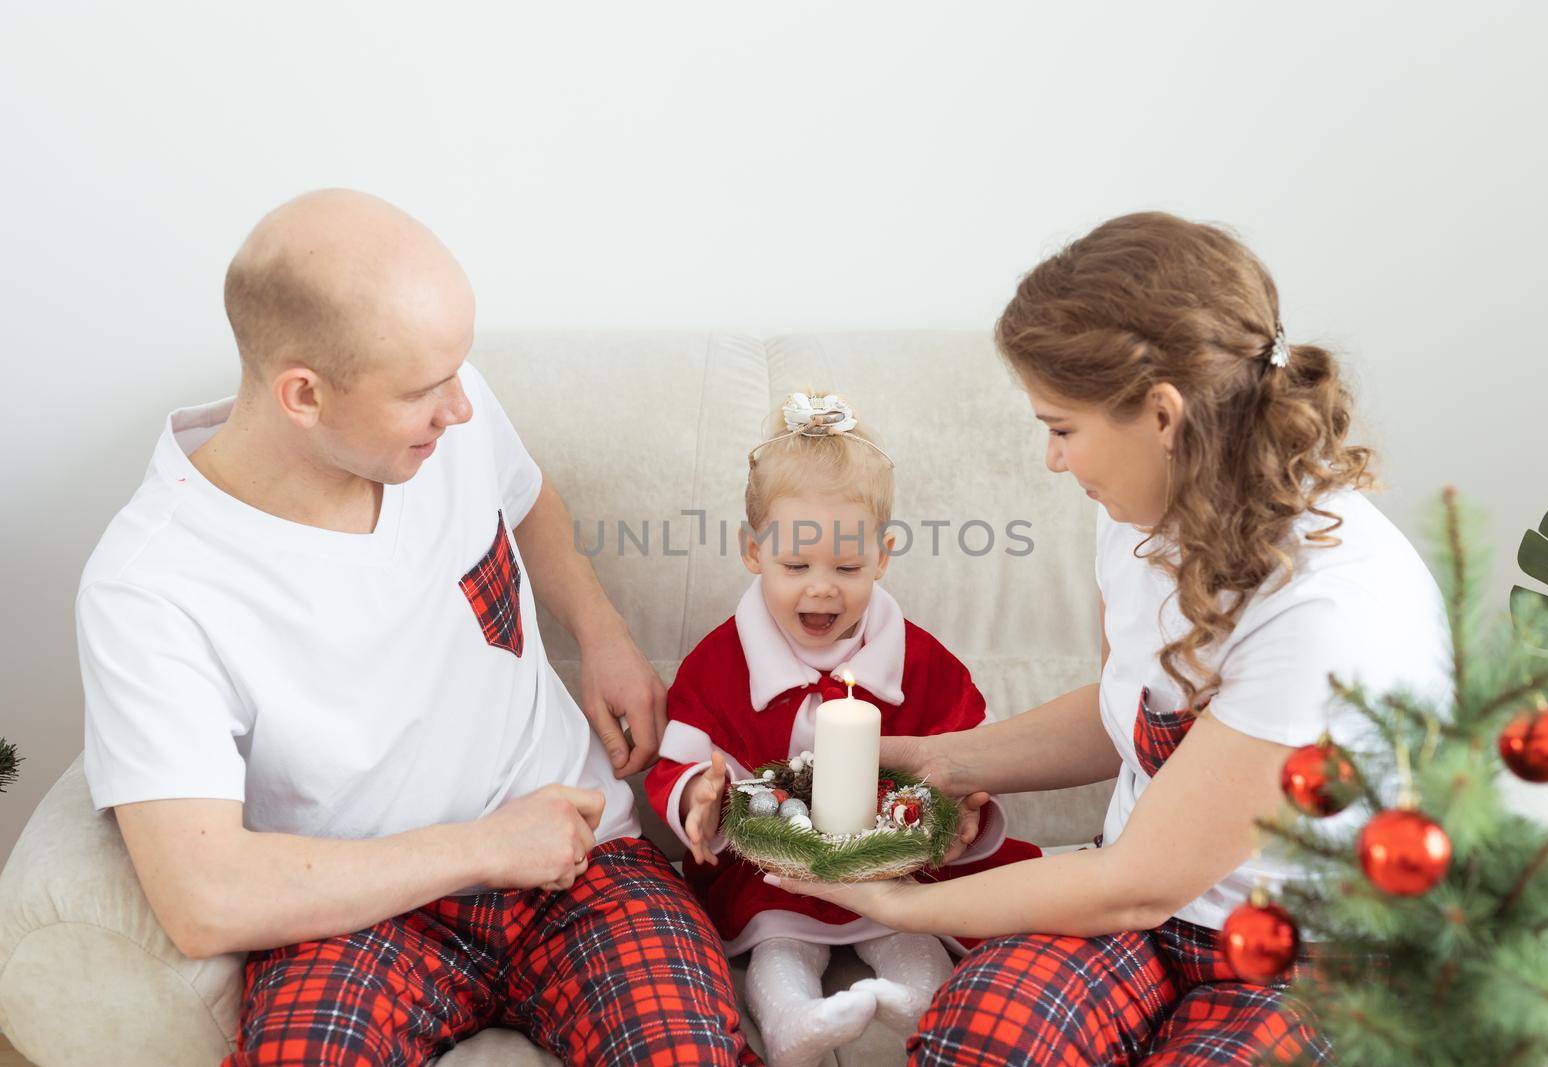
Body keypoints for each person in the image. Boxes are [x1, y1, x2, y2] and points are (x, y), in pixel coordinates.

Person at [76, 189, 757, 1066]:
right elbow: (201, 896)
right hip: (356, 910)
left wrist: (602, 631)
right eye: (425, 391)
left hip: (584, 859)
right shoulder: (151, 586)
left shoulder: (441, 415)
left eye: (458, 374)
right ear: (303, 395)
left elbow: (526, 498)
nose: (461, 409)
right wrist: (483, 847)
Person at [775, 212, 1450, 1065]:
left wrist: (899, 903)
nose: (1054, 460)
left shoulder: (1326, 609)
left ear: (1163, 416)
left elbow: (1132, 887)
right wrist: (952, 760)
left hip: (1301, 956)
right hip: (1153, 916)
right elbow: (1123, 712)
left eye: (1062, 427)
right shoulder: (1139, 512)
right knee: (977, 1040)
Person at [645, 393, 1041, 1067]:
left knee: (909, 927)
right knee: (777, 940)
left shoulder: (916, 657)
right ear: (752, 550)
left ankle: (916, 1001)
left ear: (883, 557)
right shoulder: (721, 661)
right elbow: (680, 756)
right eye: (796, 567)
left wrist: (968, 806)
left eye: (847, 568)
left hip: (892, 869)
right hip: (773, 874)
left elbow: (973, 744)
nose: (821, 590)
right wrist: (697, 799)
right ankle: (793, 1019)